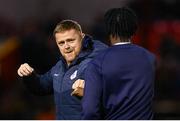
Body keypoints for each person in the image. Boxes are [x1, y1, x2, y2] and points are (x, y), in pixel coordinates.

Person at [17, 20, 108, 120]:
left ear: (82, 37)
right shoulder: (59, 67)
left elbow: (110, 90)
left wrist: (90, 88)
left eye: (71, 40)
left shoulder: (94, 63)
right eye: (61, 43)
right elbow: (41, 87)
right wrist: (29, 75)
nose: (66, 46)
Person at [82, 7, 156, 120]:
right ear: (134, 29)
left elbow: (90, 111)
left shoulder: (97, 63)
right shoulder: (150, 58)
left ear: (108, 30)